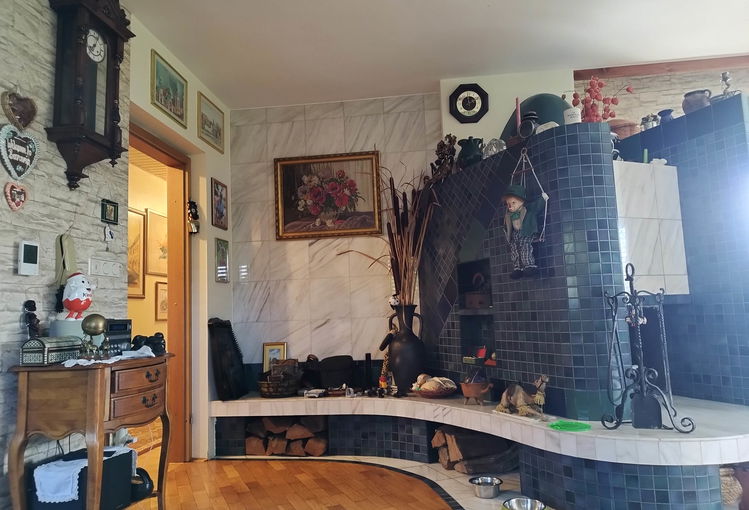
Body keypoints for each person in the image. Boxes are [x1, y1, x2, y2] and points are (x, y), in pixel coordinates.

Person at [501, 184, 549, 279]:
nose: (510, 206)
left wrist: (543, 199)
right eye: (508, 203)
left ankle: (529, 265)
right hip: (515, 234)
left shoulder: (528, 209)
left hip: (526, 232)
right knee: (514, 249)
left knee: (525, 247)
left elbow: (536, 206)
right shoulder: (509, 215)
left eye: (513, 203)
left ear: (521, 201)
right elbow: (507, 226)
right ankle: (517, 267)